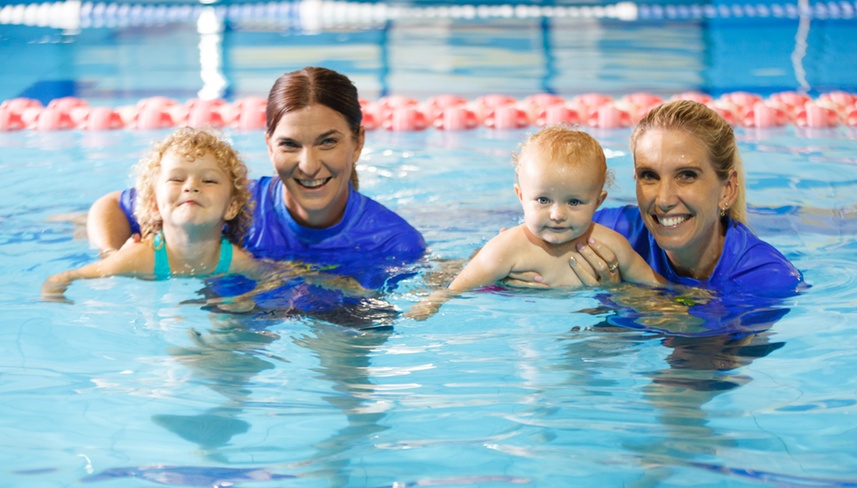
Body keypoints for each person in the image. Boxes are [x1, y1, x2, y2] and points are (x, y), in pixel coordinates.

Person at [85, 67, 426, 294]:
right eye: (289, 145)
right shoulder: (228, 201)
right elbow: (111, 205)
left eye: (328, 142)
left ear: (358, 143)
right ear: (269, 145)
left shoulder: (394, 243)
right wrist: (112, 256)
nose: (308, 166)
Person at [42, 126, 361, 301]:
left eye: (208, 181)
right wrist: (56, 296)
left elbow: (279, 275)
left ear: (232, 206)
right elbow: (65, 277)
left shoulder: (230, 258)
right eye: (177, 179)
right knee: (79, 228)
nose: (191, 187)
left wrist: (344, 284)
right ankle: (73, 221)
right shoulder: (139, 258)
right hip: (130, 233)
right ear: (153, 201)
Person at [406, 126, 666, 320]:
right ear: (521, 196)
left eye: (574, 202)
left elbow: (656, 289)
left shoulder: (611, 245)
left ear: (598, 202)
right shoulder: (508, 248)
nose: (557, 214)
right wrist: (430, 304)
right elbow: (455, 288)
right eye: (543, 199)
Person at [561, 99, 804, 298]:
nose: (664, 199)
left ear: (727, 189)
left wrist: (632, 294)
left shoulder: (765, 279)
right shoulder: (615, 233)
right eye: (649, 176)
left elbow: (704, 353)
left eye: (687, 175)